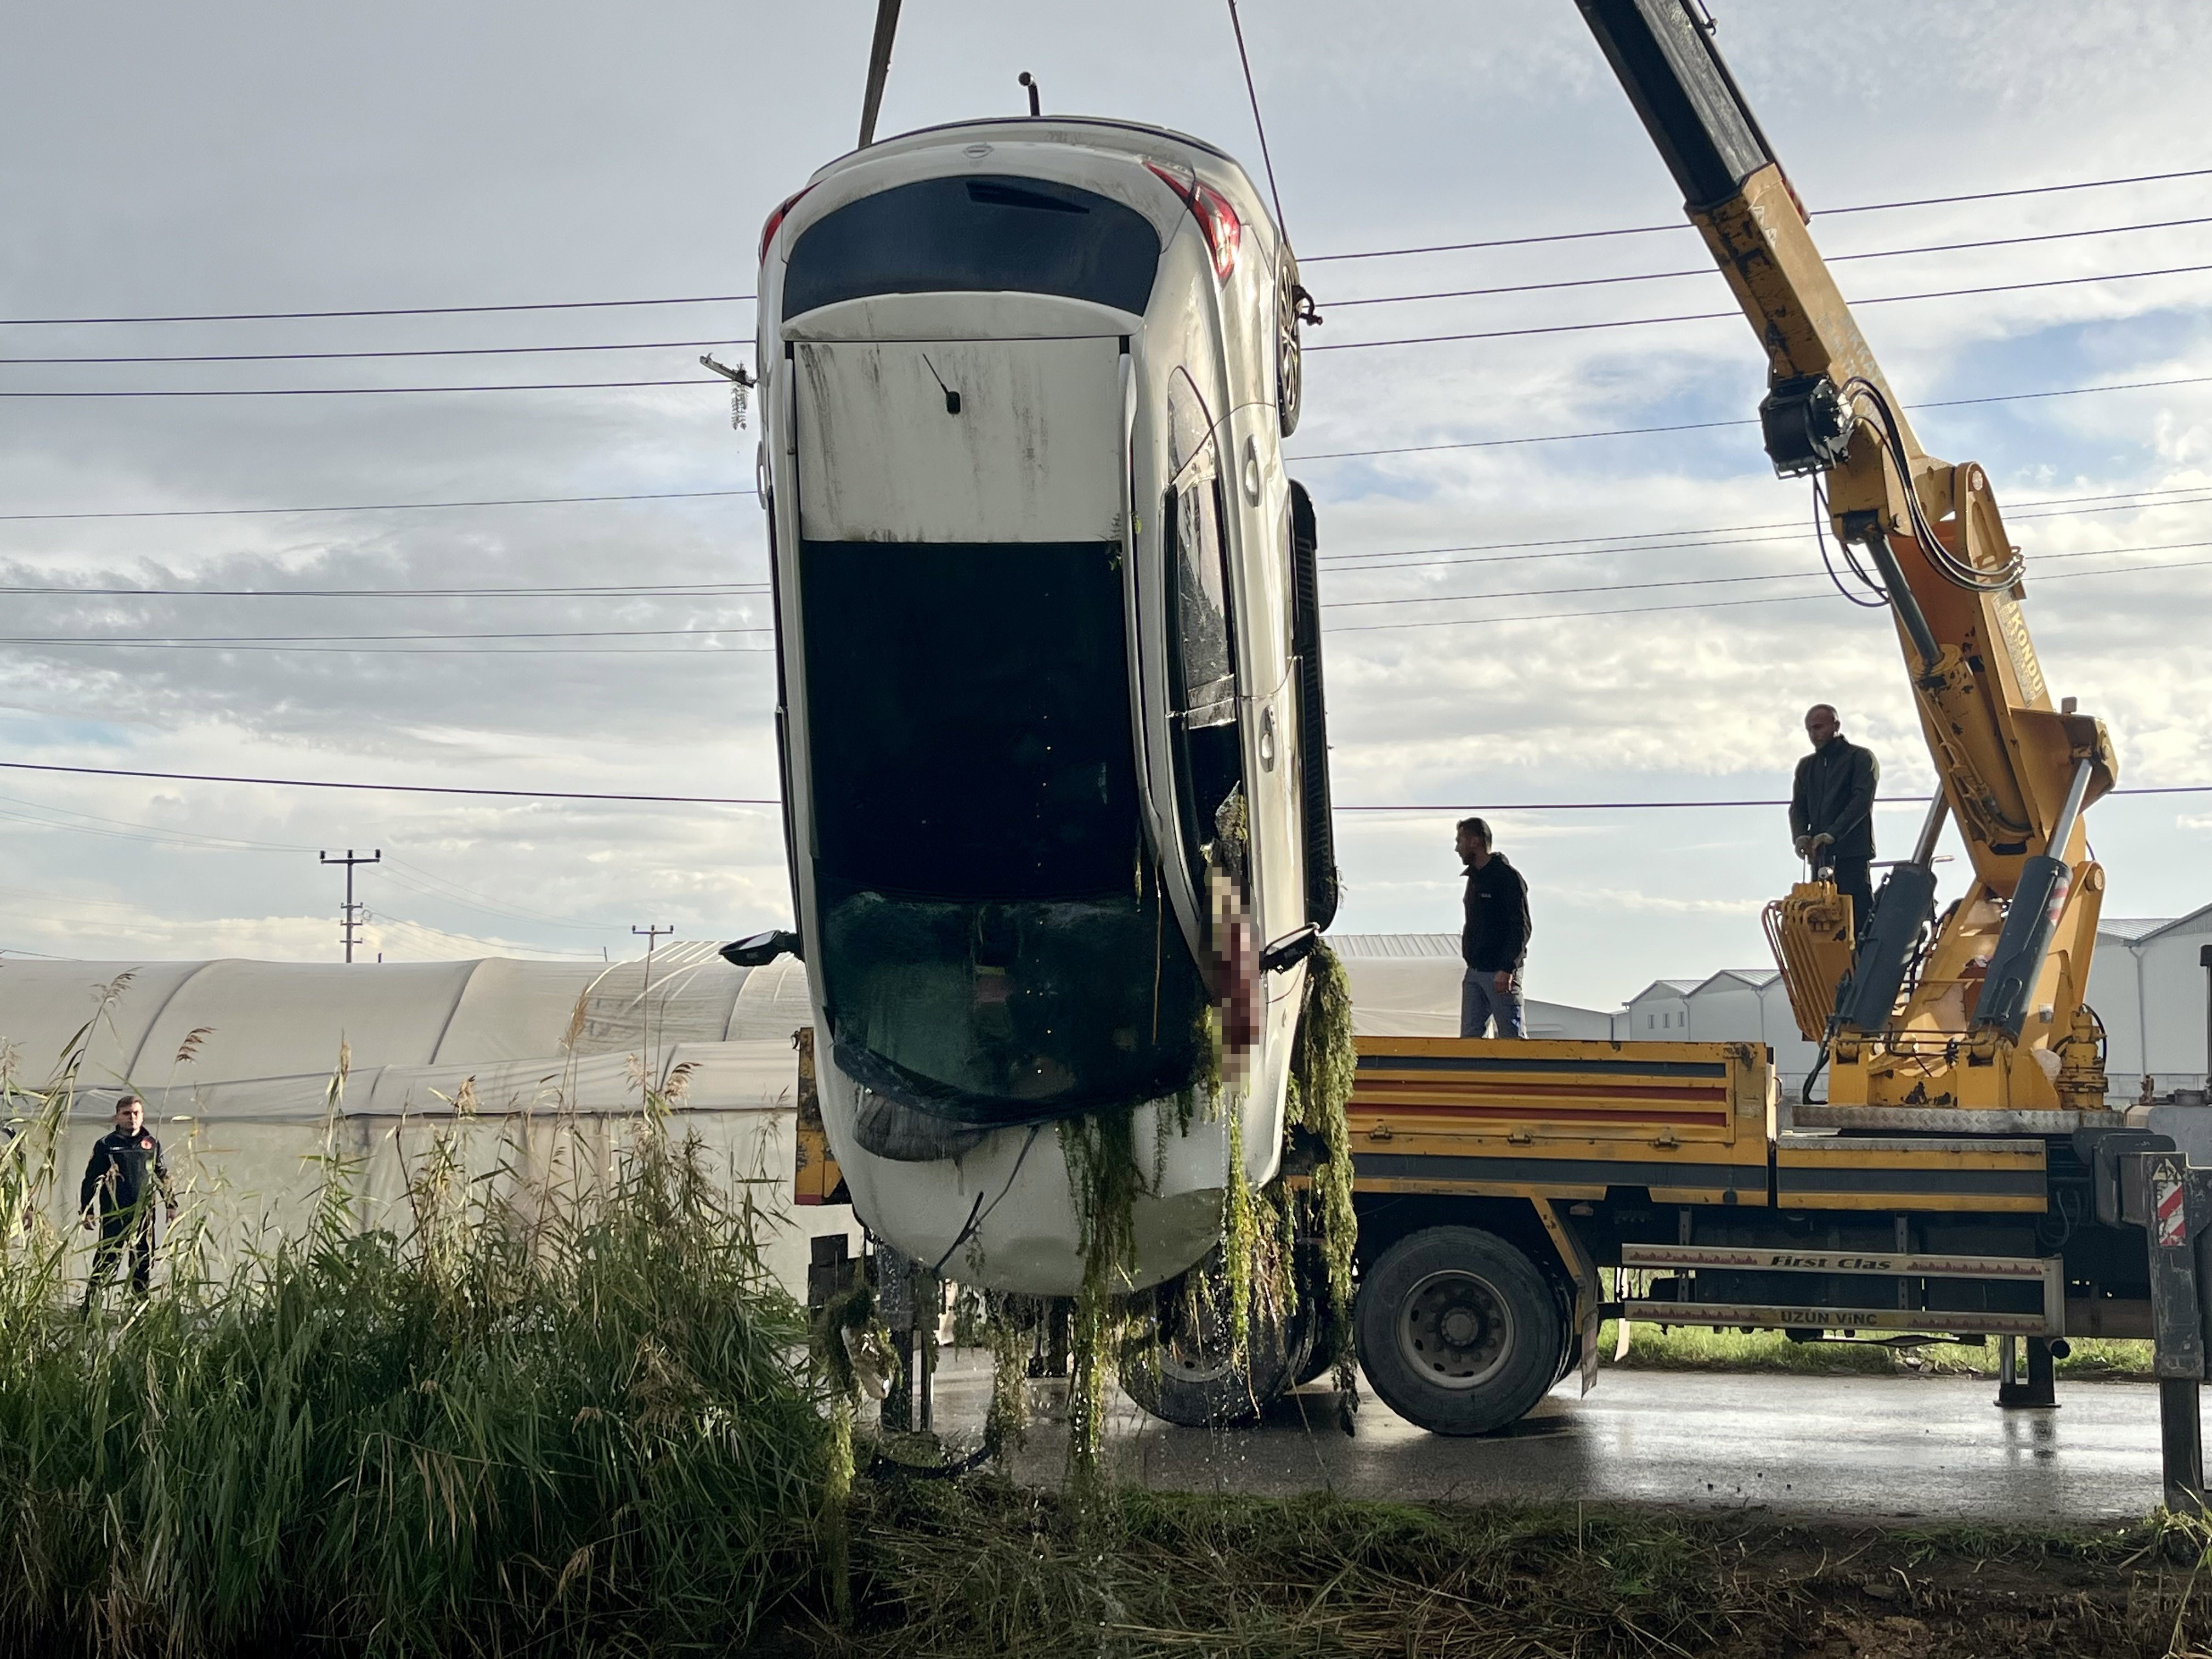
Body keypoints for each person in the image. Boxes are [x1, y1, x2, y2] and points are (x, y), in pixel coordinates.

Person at [1789, 703, 1880, 937]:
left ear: (1836, 726)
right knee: (1822, 918)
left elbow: (1861, 802)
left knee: (1857, 917)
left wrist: (1833, 834)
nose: (1814, 734)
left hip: (1852, 854)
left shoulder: (1860, 759)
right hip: (1820, 856)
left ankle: (1863, 962)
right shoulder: (1807, 766)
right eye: (1810, 729)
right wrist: (1801, 835)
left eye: (1819, 727)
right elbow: (1798, 806)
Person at [80, 1093, 175, 1306]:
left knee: (142, 1264)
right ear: (117, 1117)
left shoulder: (151, 1143)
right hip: (115, 1215)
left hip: (144, 1216)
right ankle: (90, 1309)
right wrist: (87, 1209)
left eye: (136, 1113)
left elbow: (162, 1175)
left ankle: (140, 1311)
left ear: (142, 1116)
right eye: (127, 1114)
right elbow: (91, 1179)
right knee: (105, 1263)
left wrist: (171, 1204)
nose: (132, 1118)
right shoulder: (106, 1145)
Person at [1457, 816, 1531, 1039]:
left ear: (1475, 841)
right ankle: (1472, 1074)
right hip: (1475, 970)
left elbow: (1521, 927)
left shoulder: (1507, 877)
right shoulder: (1474, 879)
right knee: (1470, 1039)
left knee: (1511, 1036)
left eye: (1460, 841)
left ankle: (1520, 1073)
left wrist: (1508, 968)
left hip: (1500, 972)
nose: (1457, 848)